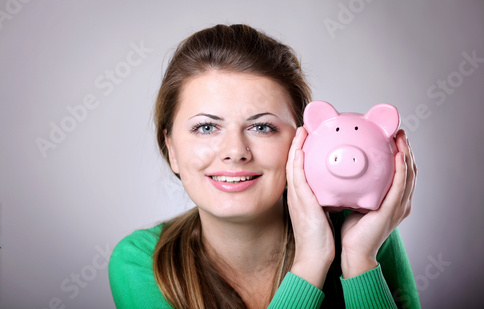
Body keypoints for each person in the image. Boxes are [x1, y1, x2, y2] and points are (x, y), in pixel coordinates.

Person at [108, 24, 420, 308]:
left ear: (304, 143)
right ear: (171, 148)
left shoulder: (366, 234)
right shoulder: (142, 263)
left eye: (262, 128)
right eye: (206, 127)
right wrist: (311, 263)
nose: (235, 152)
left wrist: (360, 260)